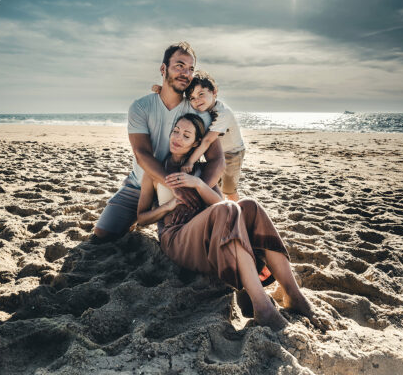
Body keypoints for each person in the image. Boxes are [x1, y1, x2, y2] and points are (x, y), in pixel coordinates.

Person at [137, 113, 323, 331]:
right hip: (177, 238)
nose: (177, 138)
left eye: (186, 135)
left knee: (250, 205)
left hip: (206, 236)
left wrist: (197, 184)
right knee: (229, 208)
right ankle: (262, 306)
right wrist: (167, 207)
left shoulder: (203, 171)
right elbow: (141, 218)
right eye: (176, 131)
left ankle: (293, 294)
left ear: (197, 143)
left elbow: (220, 204)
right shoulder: (155, 170)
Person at [93, 42, 225, 239]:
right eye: (179, 66)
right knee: (103, 234)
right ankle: (141, 216)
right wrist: (173, 187)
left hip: (185, 187)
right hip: (141, 184)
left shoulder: (199, 112)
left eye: (190, 69)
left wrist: (196, 192)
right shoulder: (141, 107)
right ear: (163, 69)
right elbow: (142, 154)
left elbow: (217, 160)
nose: (185, 73)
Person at [182, 70, 245, 202]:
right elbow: (179, 101)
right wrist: (162, 91)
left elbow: (207, 140)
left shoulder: (223, 113)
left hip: (232, 153)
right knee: (216, 185)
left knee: (229, 189)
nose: (197, 100)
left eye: (201, 94)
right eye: (192, 98)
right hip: (216, 153)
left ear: (214, 92)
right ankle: (222, 207)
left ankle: (238, 212)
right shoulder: (202, 108)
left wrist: (190, 161)